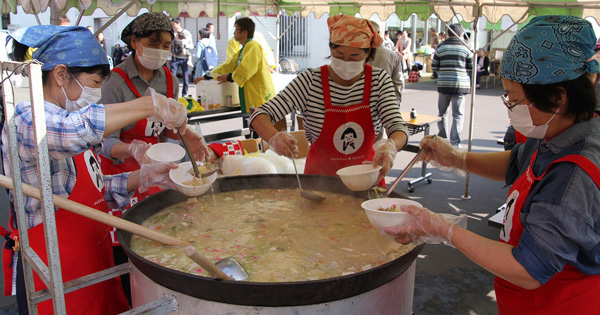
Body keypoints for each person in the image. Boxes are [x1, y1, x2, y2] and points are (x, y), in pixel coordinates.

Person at [386, 15, 600, 314]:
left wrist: (444, 230)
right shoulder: (559, 130)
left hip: (560, 304)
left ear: (557, 97)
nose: (510, 108)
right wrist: (455, 158)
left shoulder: (574, 175)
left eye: (513, 98)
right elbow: (517, 163)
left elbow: (528, 270)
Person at [2, 25, 187, 314]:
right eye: (94, 82)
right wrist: (149, 104)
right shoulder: (27, 118)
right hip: (55, 272)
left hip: (94, 258)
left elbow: (94, 196)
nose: (97, 92)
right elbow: (77, 130)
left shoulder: (68, 116)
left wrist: (144, 176)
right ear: (61, 74)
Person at [98, 12, 209, 301]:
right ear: (134, 42)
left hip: (156, 170)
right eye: (153, 42)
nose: (161, 50)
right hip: (121, 175)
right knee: (125, 245)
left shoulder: (168, 79)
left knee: (156, 234)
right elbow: (105, 143)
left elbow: (166, 129)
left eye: (167, 45)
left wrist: (187, 135)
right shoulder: (115, 82)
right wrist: (133, 149)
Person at [250, 14, 409, 182]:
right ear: (330, 49)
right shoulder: (310, 81)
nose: (346, 62)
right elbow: (260, 115)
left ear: (368, 52)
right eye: (339, 55)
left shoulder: (378, 80)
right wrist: (274, 137)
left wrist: (391, 146)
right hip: (319, 183)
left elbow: (398, 127)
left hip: (365, 179)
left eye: (354, 56)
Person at [211, 17, 275, 114]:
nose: (234, 33)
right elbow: (228, 65)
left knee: (260, 128)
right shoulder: (243, 50)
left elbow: (246, 69)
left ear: (244, 32)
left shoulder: (253, 46)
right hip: (253, 100)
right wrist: (208, 75)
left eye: (236, 29)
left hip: (260, 99)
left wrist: (229, 77)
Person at [432, 23, 472, 147]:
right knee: (458, 114)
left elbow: (434, 66)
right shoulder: (466, 47)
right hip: (460, 85)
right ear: (460, 34)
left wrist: (442, 75)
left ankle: (443, 138)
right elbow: (471, 68)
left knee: (442, 113)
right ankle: (455, 142)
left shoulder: (440, 47)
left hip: (444, 84)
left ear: (448, 34)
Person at [368, 21, 404, 105]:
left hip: (361, 108)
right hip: (386, 105)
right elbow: (398, 84)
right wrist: (395, 104)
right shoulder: (391, 56)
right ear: (379, 34)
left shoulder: (356, 55)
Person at [169, 17, 194, 96]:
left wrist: (184, 43)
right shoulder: (171, 33)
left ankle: (184, 95)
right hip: (174, 58)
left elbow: (191, 46)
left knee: (185, 78)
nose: (172, 25)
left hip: (184, 58)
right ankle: (172, 94)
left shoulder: (186, 33)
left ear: (179, 23)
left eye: (174, 24)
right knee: (172, 78)